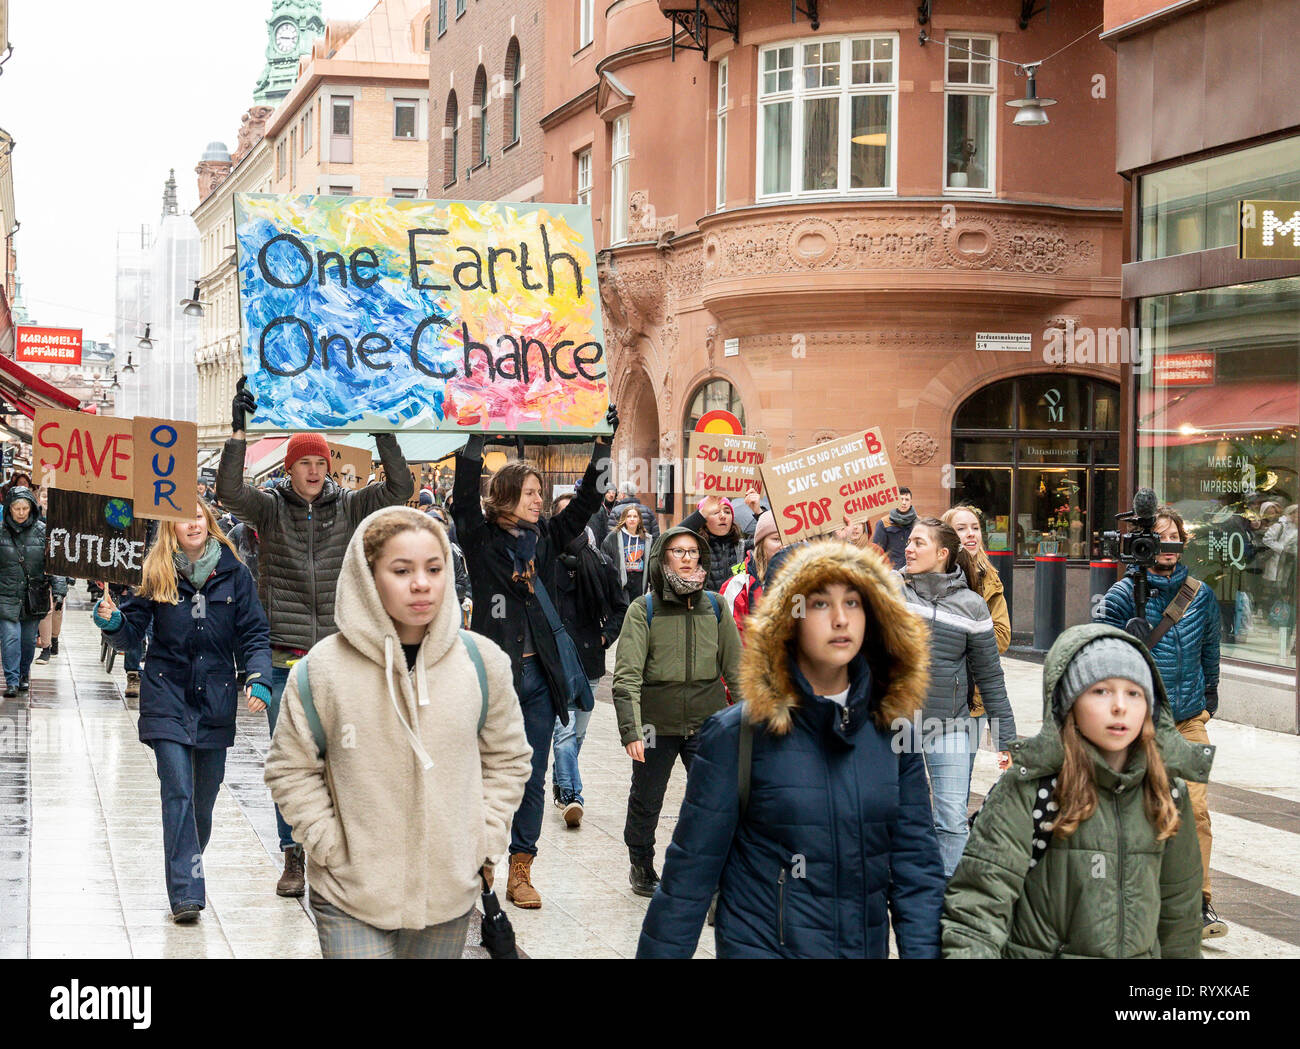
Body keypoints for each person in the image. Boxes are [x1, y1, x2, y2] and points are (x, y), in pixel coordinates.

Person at [637, 540, 946, 957]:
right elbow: (687, 882)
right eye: (820, 603)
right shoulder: (737, 735)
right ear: (789, 616)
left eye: (853, 602)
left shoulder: (892, 732)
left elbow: (917, 873)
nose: (840, 619)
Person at [264, 507, 532, 958]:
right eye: (401, 570)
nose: (421, 583)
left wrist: (481, 840)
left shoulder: (481, 663)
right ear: (368, 577)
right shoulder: (321, 671)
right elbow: (290, 769)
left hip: (447, 896)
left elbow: (508, 759)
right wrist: (329, 844)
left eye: (434, 568)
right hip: (350, 894)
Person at [217, 376, 415, 897]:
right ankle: (293, 854)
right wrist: (238, 433)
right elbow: (229, 492)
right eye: (304, 462)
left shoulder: (349, 506)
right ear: (289, 468)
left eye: (320, 462)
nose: (313, 470)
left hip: (338, 655)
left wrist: (383, 433)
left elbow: (399, 490)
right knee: (294, 761)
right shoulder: (270, 507)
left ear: (329, 466)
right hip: (282, 656)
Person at [942, 624, 1210, 958]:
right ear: (1069, 704)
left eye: (1134, 693)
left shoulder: (1166, 793)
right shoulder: (1031, 790)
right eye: (1100, 691)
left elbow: (1180, 918)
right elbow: (977, 907)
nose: (1119, 706)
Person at [452, 405, 618, 908]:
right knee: (483, 771)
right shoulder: (480, 541)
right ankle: (481, 860)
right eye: (530, 494)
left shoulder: (546, 538)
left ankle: (521, 869)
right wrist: (475, 444)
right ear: (505, 496)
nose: (538, 501)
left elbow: (587, 501)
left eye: (540, 495)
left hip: (539, 678)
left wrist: (603, 446)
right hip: (492, 677)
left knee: (531, 773)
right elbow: (462, 502)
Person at [92, 500, 271, 922]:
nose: (191, 523)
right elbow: (131, 634)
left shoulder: (235, 574)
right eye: (182, 516)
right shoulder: (155, 573)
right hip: (165, 692)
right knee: (178, 792)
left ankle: (186, 862)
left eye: (198, 515)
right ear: (170, 527)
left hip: (216, 698)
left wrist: (258, 675)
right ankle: (186, 893)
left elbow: (254, 632)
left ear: (208, 522)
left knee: (202, 804)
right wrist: (113, 622)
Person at [1099, 504, 1225, 938]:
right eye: (1159, 537)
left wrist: (1209, 698)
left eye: (1174, 537)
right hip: (1138, 722)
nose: (1167, 546)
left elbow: (1211, 646)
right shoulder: (1121, 595)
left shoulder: (1199, 593)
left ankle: (1200, 902)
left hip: (1187, 719)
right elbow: (1097, 651)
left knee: (1198, 811)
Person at [612, 526, 743, 897]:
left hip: (708, 722)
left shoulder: (716, 607)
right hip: (658, 723)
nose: (687, 558)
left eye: (692, 551)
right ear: (662, 558)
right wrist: (631, 730)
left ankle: (715, 872)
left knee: (716, 799)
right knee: (647, 797)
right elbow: (626, 676)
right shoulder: (645, 609)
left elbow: (736, 670)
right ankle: (641, 862)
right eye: (677, 551)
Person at [900, 516, 1017, 878]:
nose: (909, 548)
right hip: (894, 723)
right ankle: (903, 892)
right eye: (909, 541)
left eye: (919, 542)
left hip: (949, 724)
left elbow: (989, 677)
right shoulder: (888, 589)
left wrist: (1007, 740)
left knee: (951, 817)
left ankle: (953, 901)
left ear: (942, 553)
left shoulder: (972, 606)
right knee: (896, 815)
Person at [549, 492, 626, 828]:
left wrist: (606, 636)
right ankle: (571, 795)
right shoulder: (543, 562)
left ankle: (560, 781)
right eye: (566, 516)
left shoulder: (600, 562)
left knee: (577, 734)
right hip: (554, 660)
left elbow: (621, 606)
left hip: (589, 658)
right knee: (564, 732)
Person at [941, 504, 1011, 774]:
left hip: (974, 697)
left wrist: (954, 634)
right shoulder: (929, 578)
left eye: (975, 528)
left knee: (962, 776)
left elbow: (1002, 638)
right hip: (937, 696)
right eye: (961, 529)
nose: (971, 534)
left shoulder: (990, 578)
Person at [0, 487, 64, 698]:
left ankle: (23, 675)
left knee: (27, 641)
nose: (20, 512)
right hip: (6, 596)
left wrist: (59, 591)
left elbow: (55, 564)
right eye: (16, 508)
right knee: (10, 638)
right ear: (9, 509)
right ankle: (11, 680)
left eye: (24, 508)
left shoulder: (43, 531)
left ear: (31, 508)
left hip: (32, 597)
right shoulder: (1, 532)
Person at [720, 510, 781, 639]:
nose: (784, 545)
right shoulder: (739, 585)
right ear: (761, 544)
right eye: (777, 539)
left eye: (791, 540)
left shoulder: (811, 583)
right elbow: (732, 642)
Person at [681, 493, 758, 594]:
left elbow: (773, 540)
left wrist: (758, 512)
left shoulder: (742, 547)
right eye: (715, 512)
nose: (723, 516)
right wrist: (700, 514)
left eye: (727, 512)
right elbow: (669, 538)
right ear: (704, 520)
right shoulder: (694, 547)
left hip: (735, 608)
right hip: (707, 607)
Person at [601, 504, 650, 606]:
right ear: (624, 519)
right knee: (624, 609)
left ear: (640, 519)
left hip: (638, 580)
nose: (632, 519)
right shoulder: (614, 536)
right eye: (628, 516)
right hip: (621, 580)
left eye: (635, 516)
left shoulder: (647, 539)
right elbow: (605, 556)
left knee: (636, 609)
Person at [871, 487, 916, 570]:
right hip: (891, 573)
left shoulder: (918, 523)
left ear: (911, 502)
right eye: (901, 499)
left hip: (913, 572)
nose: (903, 502)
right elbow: (876, 553)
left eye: (907, 499)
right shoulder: (883, 523)